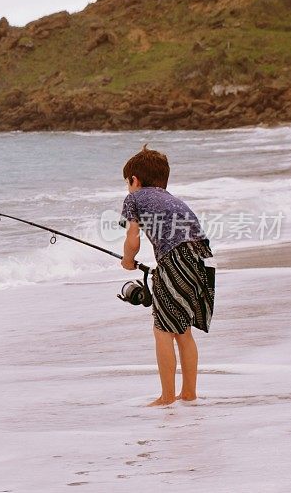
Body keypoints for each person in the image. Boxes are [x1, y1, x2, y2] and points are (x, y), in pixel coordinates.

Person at [119, 144, 215, 407]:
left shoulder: (135, 199)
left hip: (175, 259)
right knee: (182, 329)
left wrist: (127, 261)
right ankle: (189, 393)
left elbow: (133, 238)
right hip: (201, 259)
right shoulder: (171, 199)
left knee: (162, 329)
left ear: (134, 180)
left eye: (128, 183)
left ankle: (167, 397)